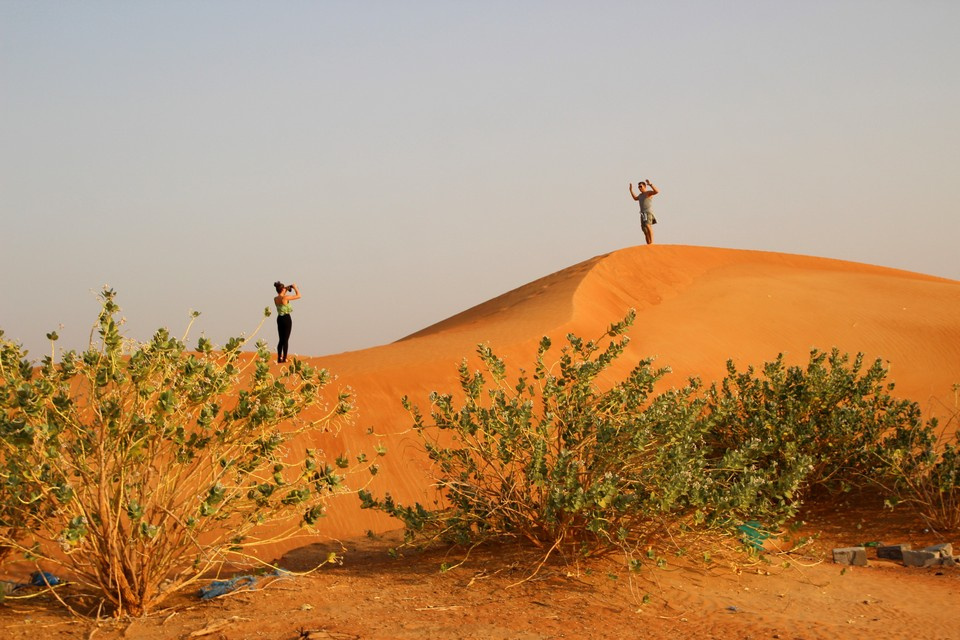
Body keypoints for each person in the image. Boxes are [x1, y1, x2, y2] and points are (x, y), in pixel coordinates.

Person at [273, 281, 300, 364]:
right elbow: (299, 296)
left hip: (279, 318)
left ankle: (279, 358)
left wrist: (287, 288)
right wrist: (295, 287)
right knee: (286, 339)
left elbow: (282, 294)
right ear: (282, 290)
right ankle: (285, 358)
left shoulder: (276, 298)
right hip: (286, 319)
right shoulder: (285, 298)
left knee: (281, 339)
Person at [629, 179, 659, 244]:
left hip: (647, 212)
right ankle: (648, 244)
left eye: (641, 186)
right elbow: (635, 198)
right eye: (639, 187)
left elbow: (657, 191)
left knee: (648, 225)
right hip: (642, 213)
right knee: (644, 229)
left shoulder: (648, 193)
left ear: (644, 186)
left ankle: (652, 243)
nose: (639, 188)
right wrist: (631, 190)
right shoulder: (640, 195)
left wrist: (650, 184)